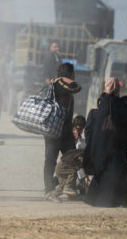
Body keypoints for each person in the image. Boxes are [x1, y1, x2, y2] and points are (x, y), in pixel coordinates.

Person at [84, 78, 127, 207]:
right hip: (117, 148)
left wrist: (92, 146)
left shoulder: (97, 110)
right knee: (117, 175)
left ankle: (94, 200)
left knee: (100, 174)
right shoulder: (122, 107)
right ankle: (118, 201)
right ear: (118, 89)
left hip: (99, 148)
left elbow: (88, 132)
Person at [44, 63, 81, 202]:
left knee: (72, 158)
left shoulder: (61, 85)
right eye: (73, 74)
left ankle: (65, 187)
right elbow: (77, 87)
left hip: (65, 130)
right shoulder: (57, 85)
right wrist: (63, 79)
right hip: (54, 130)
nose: (74, 77)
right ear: (68, 75)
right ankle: (49, 191)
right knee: (50, 160)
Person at [54, 115, 88, 199]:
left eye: (80, 129)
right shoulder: (67, 139)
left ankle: (56, 192)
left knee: (64, 189)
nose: (77, 131)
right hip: (64, 168)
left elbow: (80, 161)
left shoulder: (81, 143)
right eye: (76, 129)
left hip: (73, 169)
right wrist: (84, 177)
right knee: (72, 175)